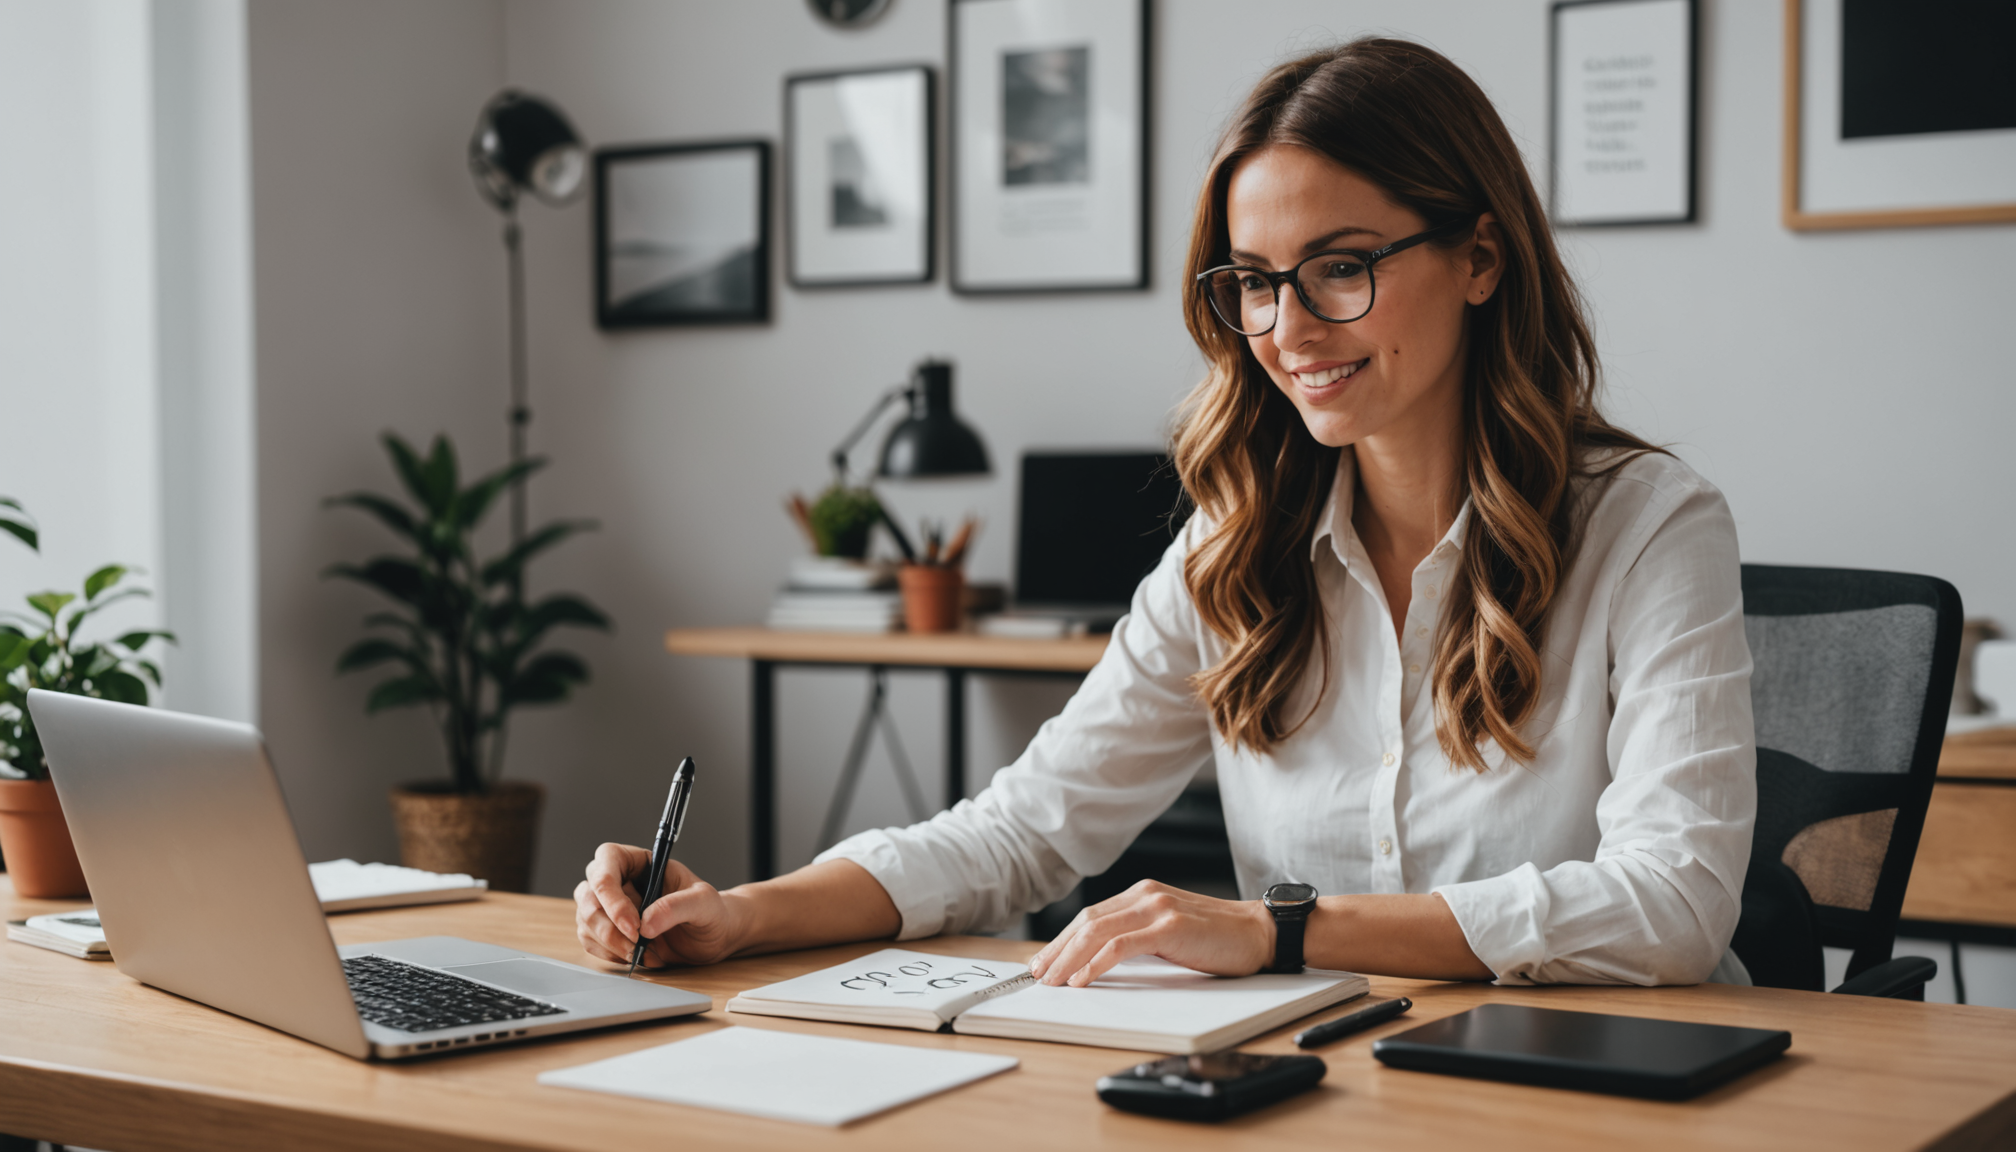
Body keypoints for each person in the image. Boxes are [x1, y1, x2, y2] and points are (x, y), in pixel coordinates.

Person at [576, 38, 1756, 988]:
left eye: (1342, 267)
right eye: (1254, 281)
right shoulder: (1236, 550)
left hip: (1593, 1094)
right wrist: (740, 913)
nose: (1289, 330)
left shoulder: (1649, 527)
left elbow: (1674, 904)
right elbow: (1022, 834)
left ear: (1481, 258)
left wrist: (1281, 931)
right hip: (1327, 1088)